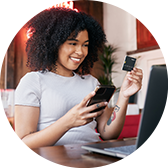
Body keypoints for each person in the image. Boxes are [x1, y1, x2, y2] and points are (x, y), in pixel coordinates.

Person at [14, 7, 143, 149]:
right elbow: (24, 143)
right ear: (54, 43)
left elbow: (108, 134)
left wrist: (124, 96)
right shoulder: (33, 81)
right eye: (73, 43)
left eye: (85, 45)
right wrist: (69, 121)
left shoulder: (91, 82)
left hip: (93, 156)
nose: (81, 52)